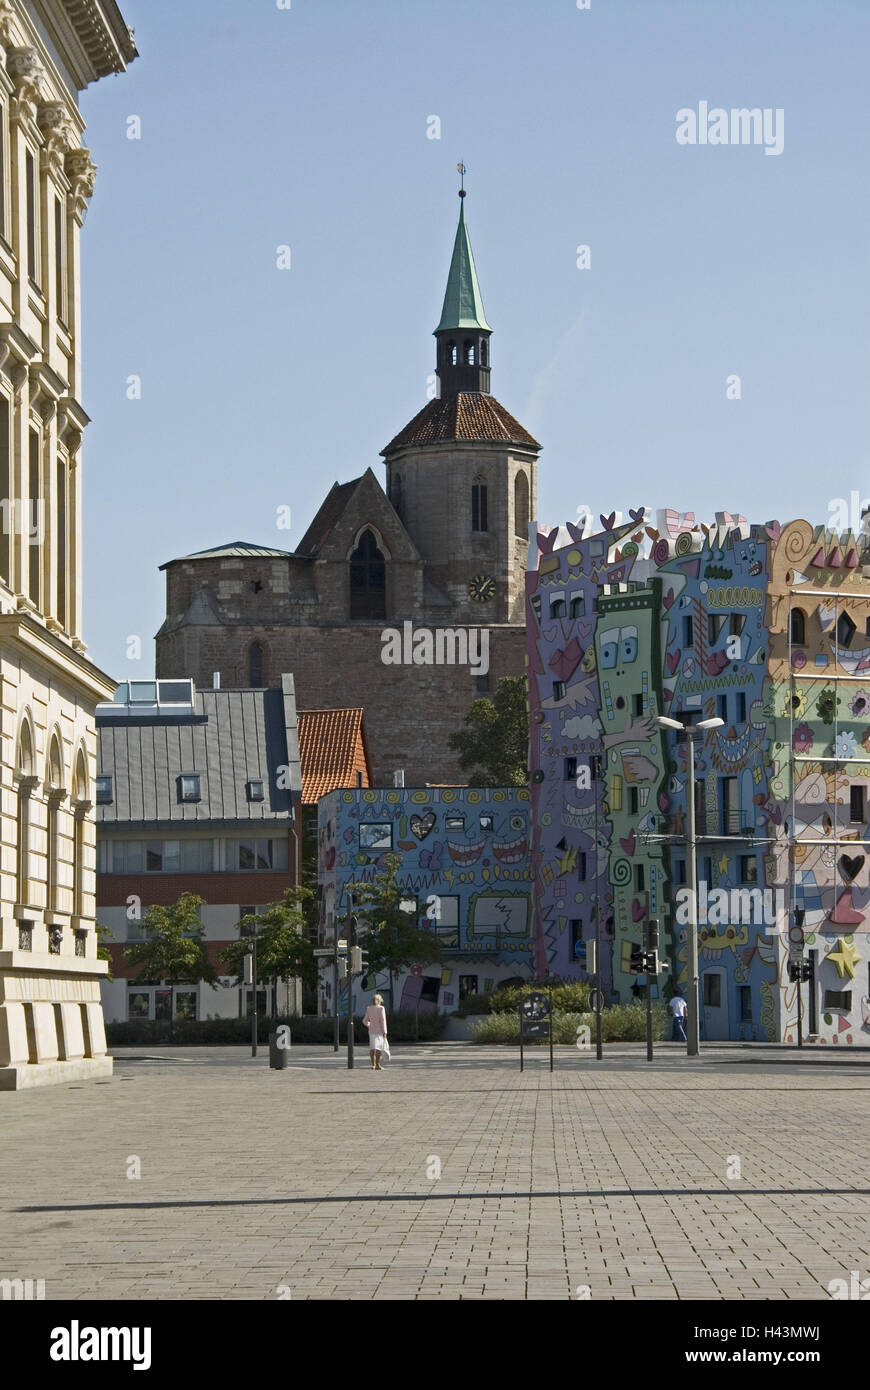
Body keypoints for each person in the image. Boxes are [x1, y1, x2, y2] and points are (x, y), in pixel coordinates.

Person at [362, 993, 389, 1070]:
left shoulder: (369, 1008)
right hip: (379, 1031)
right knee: (378, 1048)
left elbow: (364, 1021)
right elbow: (383, 1021)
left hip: (371, 1031)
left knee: (372, 1048)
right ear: (379, 1001)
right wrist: (385, 1032)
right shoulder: (381, 1008)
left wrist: (369, 1025)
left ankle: (373, 1065)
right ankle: (377, 1065)